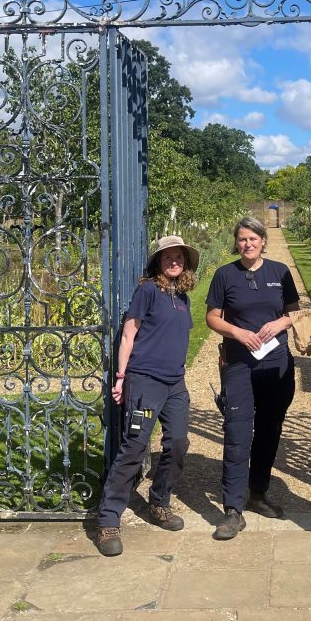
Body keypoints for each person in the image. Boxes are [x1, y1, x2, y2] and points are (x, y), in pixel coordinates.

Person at [95, 235, 199, 557]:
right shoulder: (147, 291)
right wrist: (121, 377)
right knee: (135, 446)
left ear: (185, 262)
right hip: (145, 381)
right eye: (167, 256)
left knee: (179, 443)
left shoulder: (182, 297)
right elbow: (128, 335)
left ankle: (159, 502)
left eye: (178, 256)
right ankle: (109, 520)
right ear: (158, 261)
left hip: (175, 384)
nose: (173, 261)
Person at [206, 217, 299, 540]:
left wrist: (281, 324)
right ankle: (233, 509)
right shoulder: (225, 275)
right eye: (242, 239)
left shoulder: (279, 273)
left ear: (262, 241)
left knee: (269, 430)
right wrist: (238, 332)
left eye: (253, 239)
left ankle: (257, 493)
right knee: (237, 431)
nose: (247, 244)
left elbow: (294, 312)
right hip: (239, 363)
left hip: (276, 364)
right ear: (237, 242)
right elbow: (212, 317)